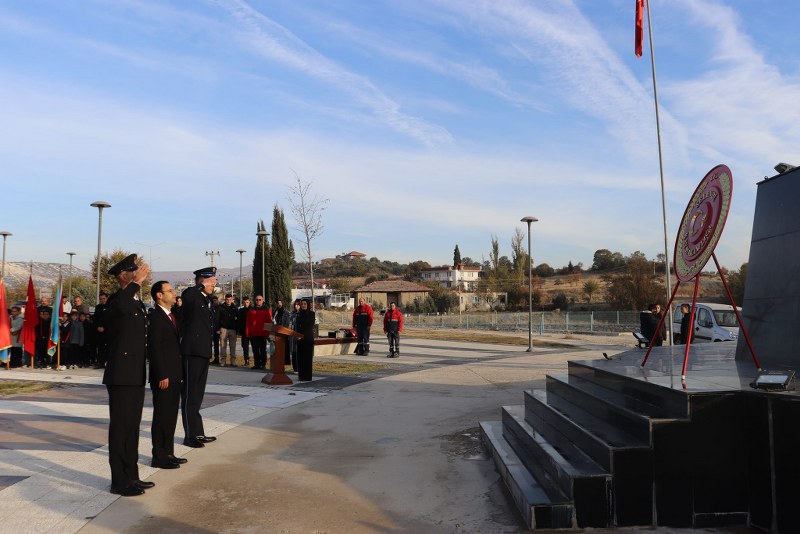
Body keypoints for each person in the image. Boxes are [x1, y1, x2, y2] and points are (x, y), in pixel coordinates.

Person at [102, 253, 152, 497]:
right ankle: (119, 481)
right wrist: (137, 283)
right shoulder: (116, 301)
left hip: (135, 373)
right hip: (120, 375)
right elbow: (120, 305)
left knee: (132, 427)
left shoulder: (135, 302)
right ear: (123, 276)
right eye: (133, 271)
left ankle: (132, 476)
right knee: (121, 427)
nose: (138, 273)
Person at [148, 281, 187, 469]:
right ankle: (159, 455)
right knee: (162, 416)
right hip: (163, 377)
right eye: (170, 290)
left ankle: (169, 452)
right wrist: (162, 374)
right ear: (159, 295)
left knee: (171, 416)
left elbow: (174, 349)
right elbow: (155, 348)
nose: (174, 293)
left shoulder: (171, 316)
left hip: (174, 375)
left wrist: (178, 374)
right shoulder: (155, 317)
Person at [179, 266, 218, 448]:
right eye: (212, 281)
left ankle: (198, 432)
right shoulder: (192, 295)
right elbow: (186, 295)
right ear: (202, 280)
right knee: (189, 394)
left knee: (197, 395)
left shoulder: (206, 299)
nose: (215, 283)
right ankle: (190, 436)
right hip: (192, 351)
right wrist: (200, 286)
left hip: (202, 351)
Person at [245, 295, 272, 370]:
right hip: (253, 334)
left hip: (263, 334)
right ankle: (257, 364)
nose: (258, 301)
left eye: (260, 300)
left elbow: (269, 322)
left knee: (263, 350)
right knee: (255, 350)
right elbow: (248, 322)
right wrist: (247, 333)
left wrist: (268, 334)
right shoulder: (251, 310)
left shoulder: (266, 310)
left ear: (262, 300)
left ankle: (263, 364)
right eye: (257, 300)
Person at [296, 299, 315, 381]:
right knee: (300, 358)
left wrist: (302, 335)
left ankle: (307, 376)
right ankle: (301, 376)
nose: (303, 305)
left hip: (307, 339)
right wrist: (297, 335)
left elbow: (309, 326)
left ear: (308, 305)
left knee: (307, 358)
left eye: (305, 304)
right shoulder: (299, 314)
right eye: (302, 304)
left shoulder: (311, 314)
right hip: (299, 339)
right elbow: (297, 326)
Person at [218, 293, 238, 366]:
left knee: (233, 346)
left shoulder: (235, 308)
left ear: (232, 300)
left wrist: (237, 329)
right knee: (223, 346)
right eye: (227, 300)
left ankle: (233, 361)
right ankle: (223, 361)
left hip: (232, 330)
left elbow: (238, 319)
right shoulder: (221, 308)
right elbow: (218, 319)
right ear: (225, 300)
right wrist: (218, 328)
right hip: (223, 329)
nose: (228, 301)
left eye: (230, 300)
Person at [272, 299, 290, 365]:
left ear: (283, 304)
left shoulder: (286, 312)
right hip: (275, 333)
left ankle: (283, 363)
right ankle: (277, 362)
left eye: (280, 303)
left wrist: (281, 330)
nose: (279, 304)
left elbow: (286, 324)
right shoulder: (275, 312)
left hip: (282, 334)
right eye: (278, 303)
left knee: (283, 350)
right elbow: (273, 320)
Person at [236, 296, 252, 367]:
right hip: (244, 332)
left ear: (249, 302)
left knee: (255, 347)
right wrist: (239, 331)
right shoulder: (241, 311)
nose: (246, 304)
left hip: (252, 332)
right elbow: (239, 321)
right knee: (245, 347)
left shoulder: (253, 310)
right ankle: (246, 360)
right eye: (244, 302)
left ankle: (258, 361)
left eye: (247, 302)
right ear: (243, 303)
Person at [288, 300, 301, 372]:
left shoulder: (302, 314)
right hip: (292, 337)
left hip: (299, 336)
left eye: (298, 305)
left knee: (298, 353)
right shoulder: (292, 314)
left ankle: (299, 368)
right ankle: (295, 368)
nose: (296, 306)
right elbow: (289, 324)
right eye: (295, 305)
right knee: (293, 353)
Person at [210, 295, 221, 365]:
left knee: (217, 345)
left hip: (218, 329)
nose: (214, 302)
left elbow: (222, 319)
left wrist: (219, 328)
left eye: (215, 300)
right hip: (211, 329)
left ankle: (217, 358)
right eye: (213, 301)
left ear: (217, 301)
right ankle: (211, 358)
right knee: (210, 345)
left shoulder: (221, 309)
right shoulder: (210, 308)